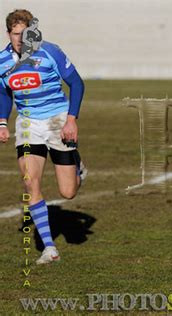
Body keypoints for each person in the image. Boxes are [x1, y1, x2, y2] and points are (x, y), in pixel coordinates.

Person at [0, 9, 86, 264]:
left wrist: (71, 120)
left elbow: (77, 83)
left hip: (57, 119)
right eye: (16, 34)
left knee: (68, 192)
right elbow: (4, 93)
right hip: (28, 124)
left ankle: (78, 166)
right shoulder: (2, 60)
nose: (21, 39)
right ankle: (49, 248)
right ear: (9, 34)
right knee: (30, 183)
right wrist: (2, 122)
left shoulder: (49, 51)